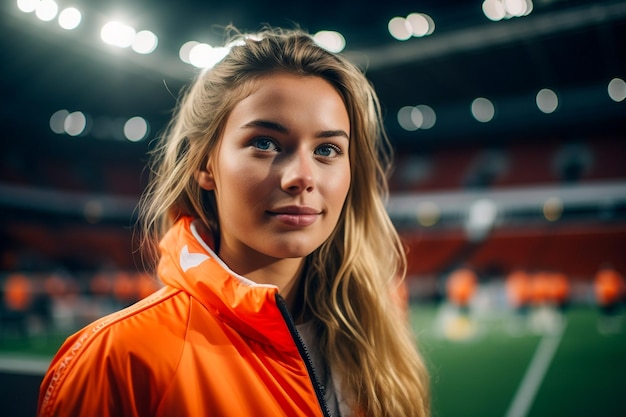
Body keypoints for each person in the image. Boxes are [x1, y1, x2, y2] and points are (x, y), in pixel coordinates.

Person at [37, 27, 430, 417]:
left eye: (327, 149)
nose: (302, 177)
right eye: (265, 143)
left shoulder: (378, 336)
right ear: (205, 163)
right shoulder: (117, 359)